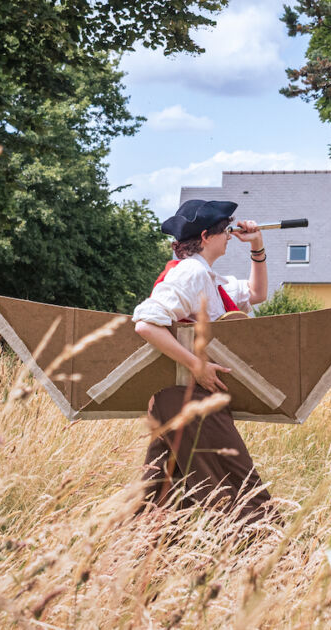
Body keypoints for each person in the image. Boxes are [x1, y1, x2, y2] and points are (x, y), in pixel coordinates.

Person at [132, 199, 273, 522]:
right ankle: (268, 559)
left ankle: (138, 563)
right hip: (188, 399)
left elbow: (256, 294)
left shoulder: (210, 277)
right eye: (225, 231)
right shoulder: (191, 273)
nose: (230, 236)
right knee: (238, 488)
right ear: (207, 236)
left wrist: (258, 247)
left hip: (186, 401)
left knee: (163, 497)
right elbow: (146, 323)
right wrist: (197, 365)